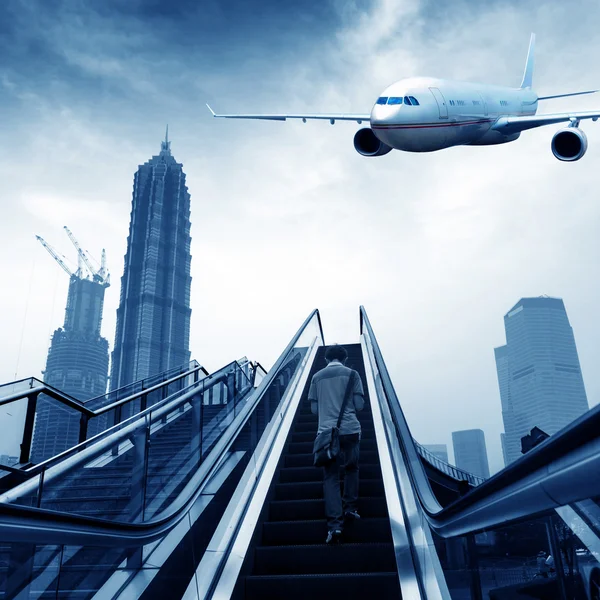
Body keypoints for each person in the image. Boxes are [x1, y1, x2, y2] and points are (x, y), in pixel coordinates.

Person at [308, 345, 365, 544]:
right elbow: (359, 406)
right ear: (345, 358)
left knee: (330, 477)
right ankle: (350, 507)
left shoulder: (316, 377)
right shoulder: (353, 374)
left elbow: (314, 410)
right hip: (350, 430)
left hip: (326, 433)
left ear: (326, 359)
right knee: (351, 468)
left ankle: (335, 526)